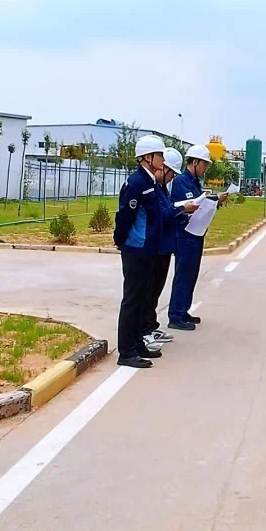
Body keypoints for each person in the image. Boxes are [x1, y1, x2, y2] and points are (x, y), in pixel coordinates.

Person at [114, 135, 170, 368]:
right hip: (136, 249)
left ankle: (137, 344)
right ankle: (126, 352)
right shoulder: (136, 183)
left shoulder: (150, 182)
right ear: (147, 157)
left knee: (143, 299)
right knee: (133, 299)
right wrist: (120, 241)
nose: (163, 160)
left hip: (149, 249)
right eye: (160, 155)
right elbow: (124, 216)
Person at [168, 144, 226, 331]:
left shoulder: (194, 182)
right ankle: (175, 315)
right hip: (184, 234)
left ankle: (183, 310)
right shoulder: (181, 182)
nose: (205, 168)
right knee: (183, 275)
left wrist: (215, 202)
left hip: (196, 233)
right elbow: (188, 204)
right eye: (204, 164)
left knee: (191, 274)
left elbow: (200, 203)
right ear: (194, 162)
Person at [140, 147, 186, 352]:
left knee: (156, 290)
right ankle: (144, 331)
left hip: (164, 246)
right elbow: (161, 215)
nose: (171, 178)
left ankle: (151, 326)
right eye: (170, 173)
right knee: (147, 291)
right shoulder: (150, 189)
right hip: (154, 247)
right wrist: (182, 209)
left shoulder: (162, 189)